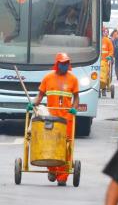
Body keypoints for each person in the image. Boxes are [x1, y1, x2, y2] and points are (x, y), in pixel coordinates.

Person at [28, 53, 79, 186]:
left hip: (67, 119)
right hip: (50, 119)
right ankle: (52, 169)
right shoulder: (48, 78)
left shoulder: (73, 79)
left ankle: (62, 176)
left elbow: (76, 98)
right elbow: (40, 96)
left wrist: (74, 108)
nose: (65, 65)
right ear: (57, 64)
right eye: (62, 63)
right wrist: (32, 104)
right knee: (49, 145)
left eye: (66, 63)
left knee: (66, 147)